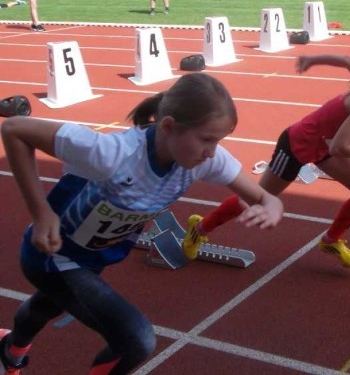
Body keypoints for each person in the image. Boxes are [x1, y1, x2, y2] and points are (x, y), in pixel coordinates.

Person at [0, 73, 283, 375]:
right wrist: (41, 212)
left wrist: (270, 209)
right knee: (136, 340)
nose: (212, 151)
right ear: (169, 126)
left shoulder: (205, 160)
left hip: (92, 259)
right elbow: (14, 128)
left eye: (219, 141)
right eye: (206, 139)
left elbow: (268, 199)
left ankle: (9, 352)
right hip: (51, 255)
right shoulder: (112, 154)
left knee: (49, 305)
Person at [185, 53, 350, 269]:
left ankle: (331, 241)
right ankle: (200, 229)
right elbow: (340, 147)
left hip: (325, 145)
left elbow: (347, 61)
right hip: (297, 145)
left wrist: (313, 60)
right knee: (254, 199)